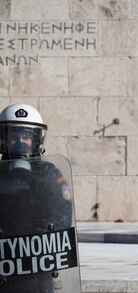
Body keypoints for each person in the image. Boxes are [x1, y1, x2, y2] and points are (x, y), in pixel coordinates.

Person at [0, 103, 75, 292]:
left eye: (26, 136)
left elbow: (60, 222)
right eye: (14, 136)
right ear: (3, 139)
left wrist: (34, 249)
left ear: (36, 140)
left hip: (36, 269)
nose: (20, 142)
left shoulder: (49, 175)